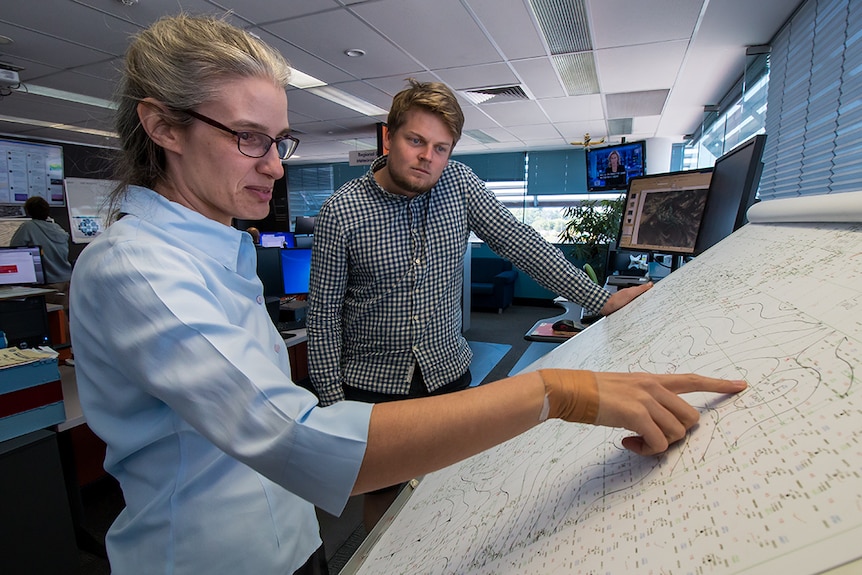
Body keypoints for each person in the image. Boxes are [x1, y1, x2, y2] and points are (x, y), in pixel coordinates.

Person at [69, 14, 746, 575]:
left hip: (302, 518)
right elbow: (312, 369)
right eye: (251, 139)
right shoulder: (143, 269)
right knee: (385, 510)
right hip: (221, 542)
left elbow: (519, 241)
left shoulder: (229, 244)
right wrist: (553, 391)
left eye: (279, 141)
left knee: (450, 501)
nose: (275, 166)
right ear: (163, 127)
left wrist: (598, 300)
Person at [306, 79, 651, 527]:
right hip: (372, 386)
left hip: (445, 371)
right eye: (416, 141)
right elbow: (323, 317)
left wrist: (601, 300)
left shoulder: (459, 186)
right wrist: (334, 408)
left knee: (448, 492)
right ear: (389, 138)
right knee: (385, 500)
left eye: (442, 147)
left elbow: (522, 244)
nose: (428, 157)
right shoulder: (342, 211)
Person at [10, 195, 73, 308]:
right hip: (66, 282)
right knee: (63, 319)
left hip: (46, 284)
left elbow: (14, 251)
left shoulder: (28, 227)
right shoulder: (58, 228)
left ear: (28, 211)